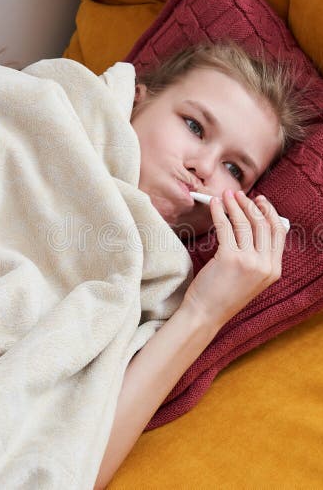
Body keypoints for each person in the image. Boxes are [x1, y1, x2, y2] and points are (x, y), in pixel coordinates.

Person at [94, 41, 307, 488]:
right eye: (194, 126)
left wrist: (205, 312)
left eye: (235, 169)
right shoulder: (41, 109)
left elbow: (74, 465)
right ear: (137, 97)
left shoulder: (156, 291)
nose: (204, 167)